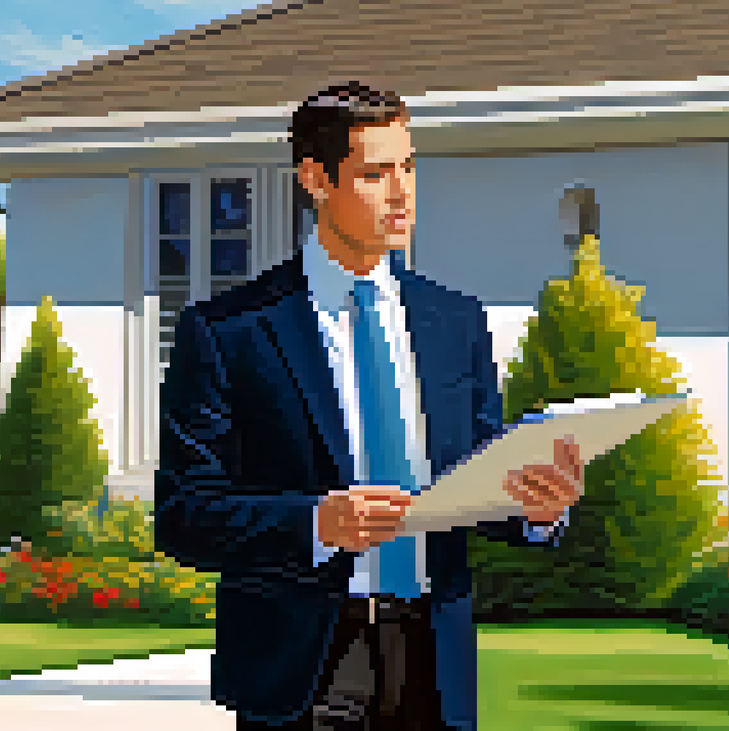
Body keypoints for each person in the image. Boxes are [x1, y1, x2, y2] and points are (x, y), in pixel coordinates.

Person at [155, 81, 585, 731]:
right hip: (302, 666)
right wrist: (315, 523)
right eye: (374, 174)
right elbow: (184, 515)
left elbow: (473, 481)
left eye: (409, 167)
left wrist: (534, 509)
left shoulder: (455, 321)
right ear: (315, 179)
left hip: (433, 663)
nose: (402, 192)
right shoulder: (228, 332)